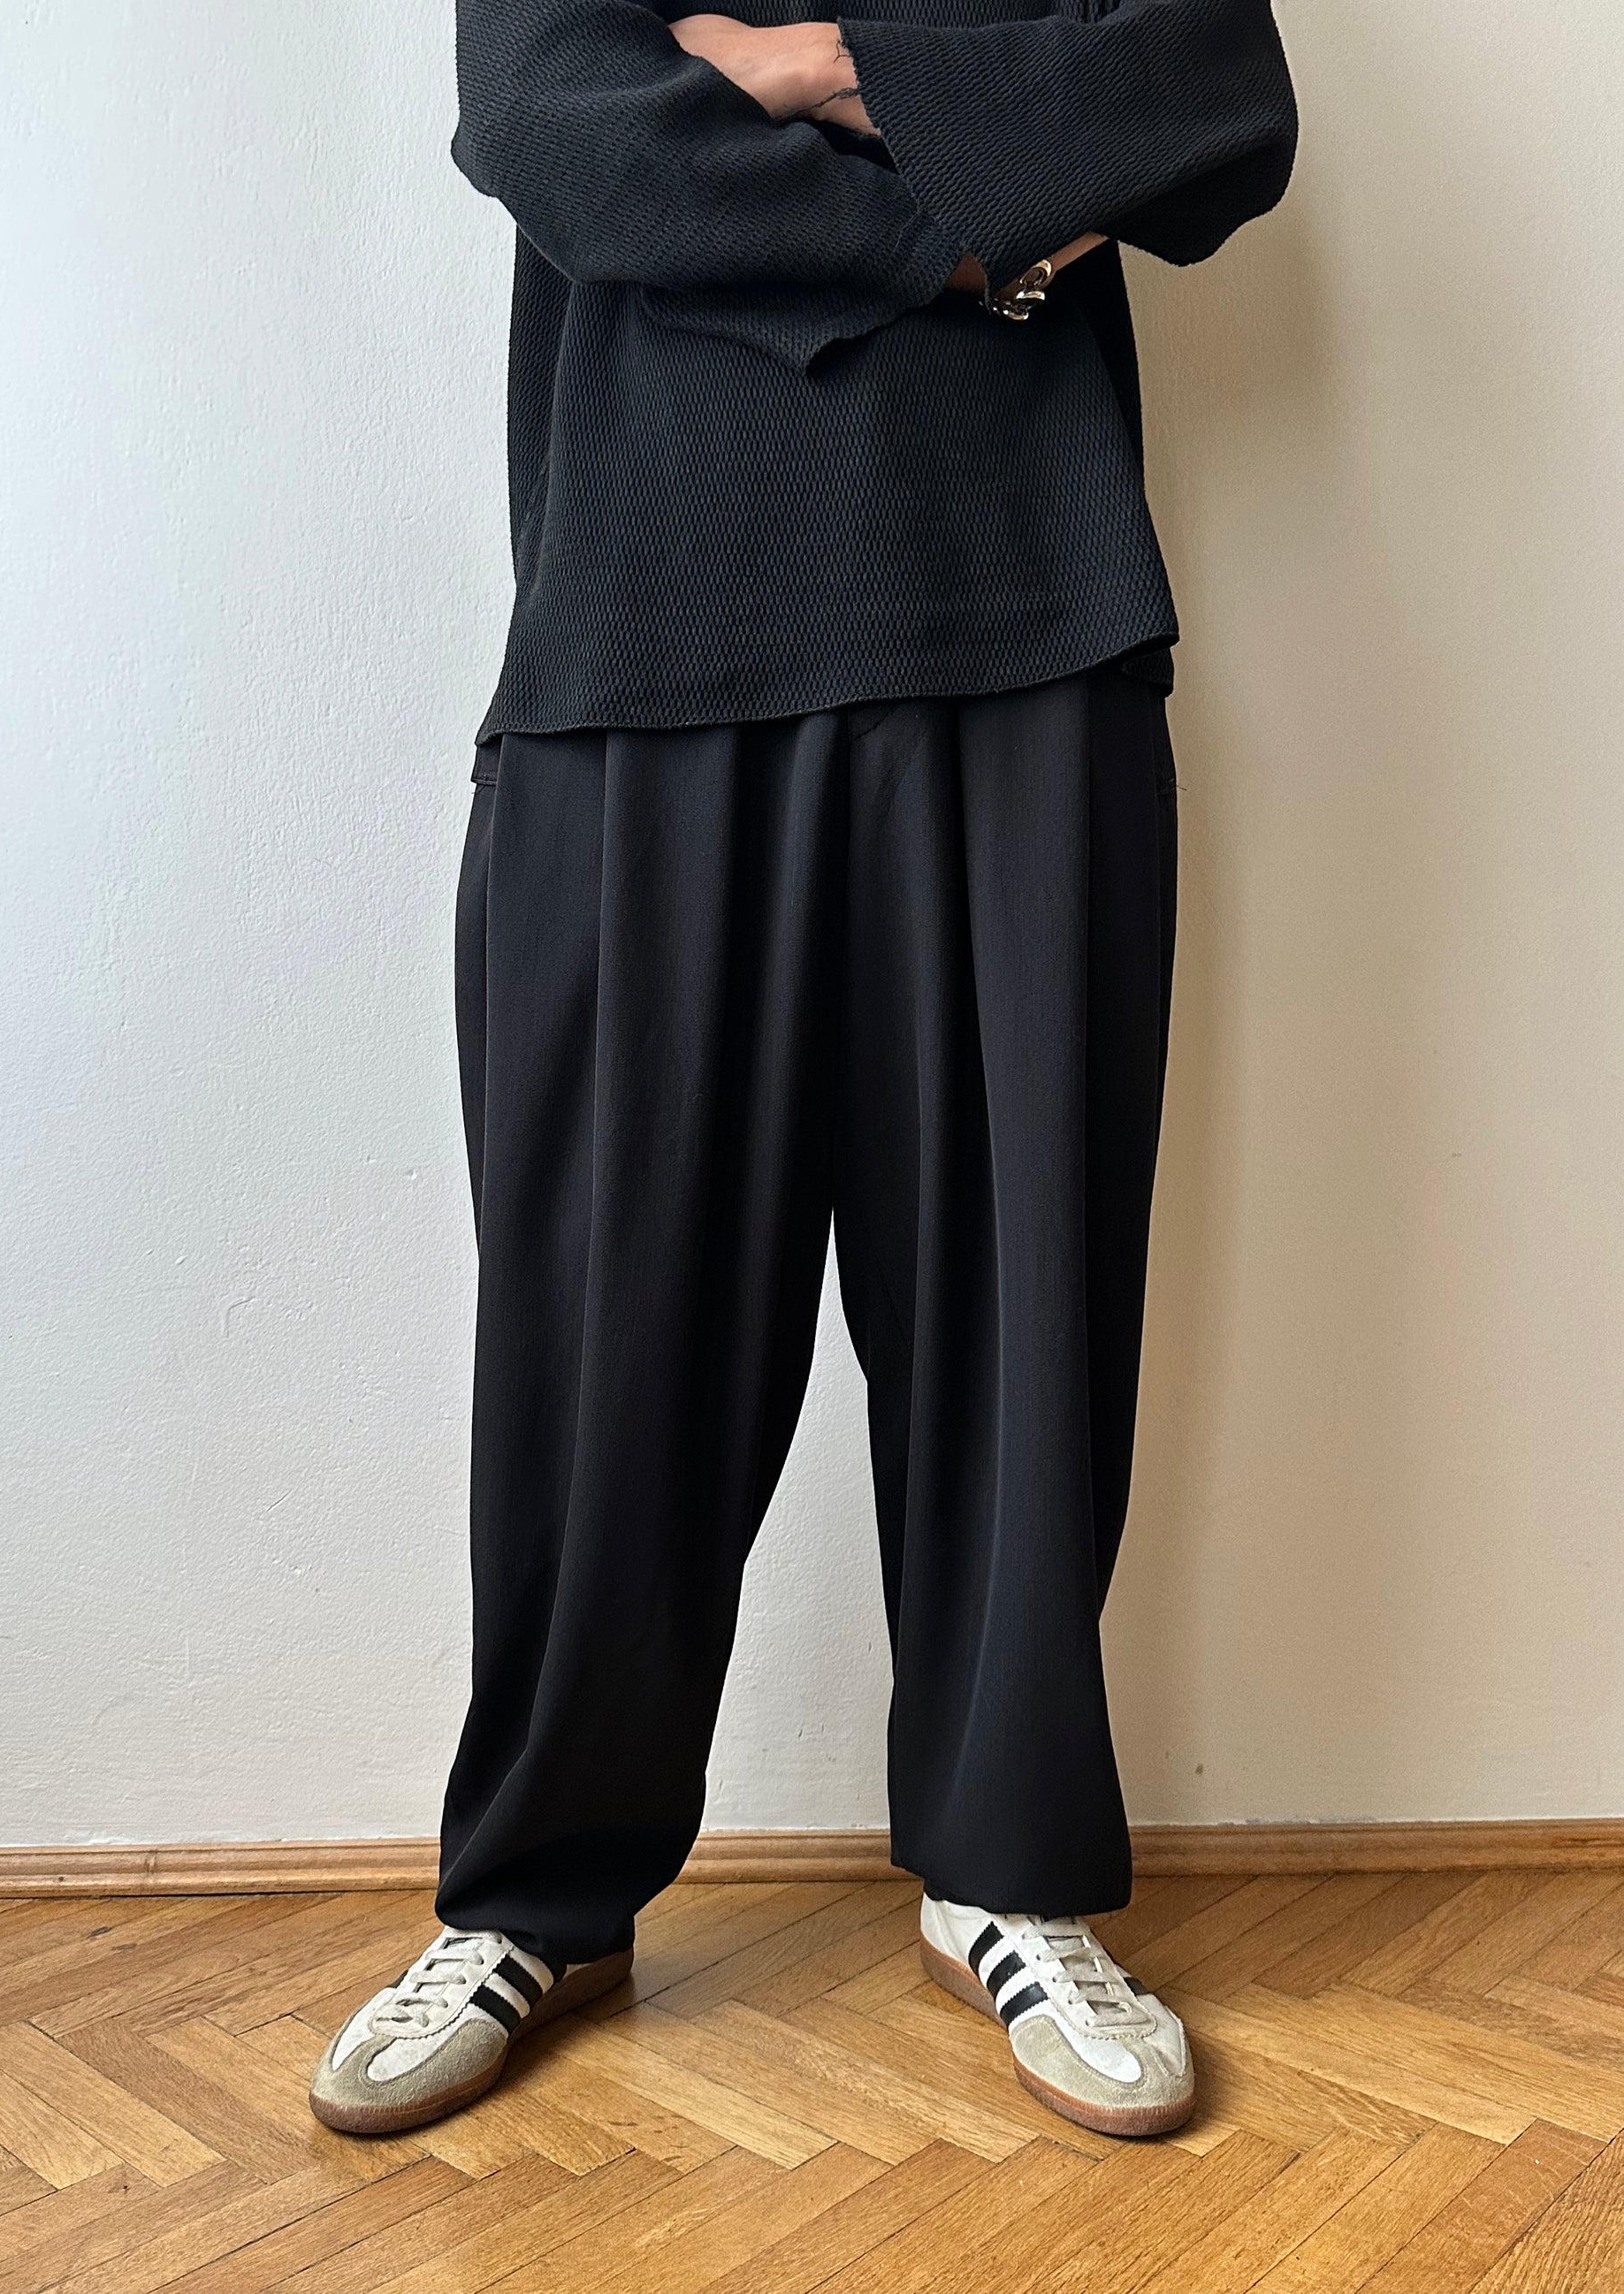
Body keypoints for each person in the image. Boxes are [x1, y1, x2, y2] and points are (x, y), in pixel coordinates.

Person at [310, 0, 1296, 2143]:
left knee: (1021, 1322)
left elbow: (1210, 97)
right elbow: (557, 129)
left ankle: (1009, 1872)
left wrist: (793, 59)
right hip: (641, 635)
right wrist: (971, 230)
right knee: (605, 1337)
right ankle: (536, 1890)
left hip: (1021, 611)